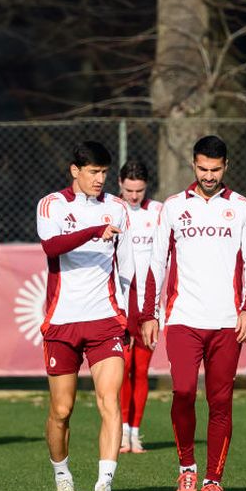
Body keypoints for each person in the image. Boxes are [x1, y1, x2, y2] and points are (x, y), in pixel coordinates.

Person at [139, 135, 246, 491]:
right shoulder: (174, 207)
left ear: (226, 167)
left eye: (216, 169)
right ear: (193, 165)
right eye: (203, 168)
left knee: (220, 401)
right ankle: (187, 469)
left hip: (227, 322)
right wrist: (150, 314)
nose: (209, 175)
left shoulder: (242, 208)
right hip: (184, 319)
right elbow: (156, 263)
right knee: (183, 391)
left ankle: (213, 479)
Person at [36, 141, 136, 491]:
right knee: (61, 411)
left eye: (104, 172)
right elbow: (51, 246)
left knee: (110, 402)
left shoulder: (118, 208)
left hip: (104, 321)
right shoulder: (51, 204)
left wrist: (129, 317)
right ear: (75, 170)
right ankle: (62, 477)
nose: (99, 179)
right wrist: (93, 230)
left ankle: (104, 485)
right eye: (93, 172)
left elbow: (127, 269)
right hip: (62, 321)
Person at [115, 159, 163, 454]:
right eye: (129, 189)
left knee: (142, 370)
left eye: (139, 190)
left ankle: (135, 434)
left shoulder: (158, 212)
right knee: (122, 370)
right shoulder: (111, 209)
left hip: (149, 306)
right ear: (120, 184)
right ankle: (121, 433)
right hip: (120, 304)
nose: (134, 196)